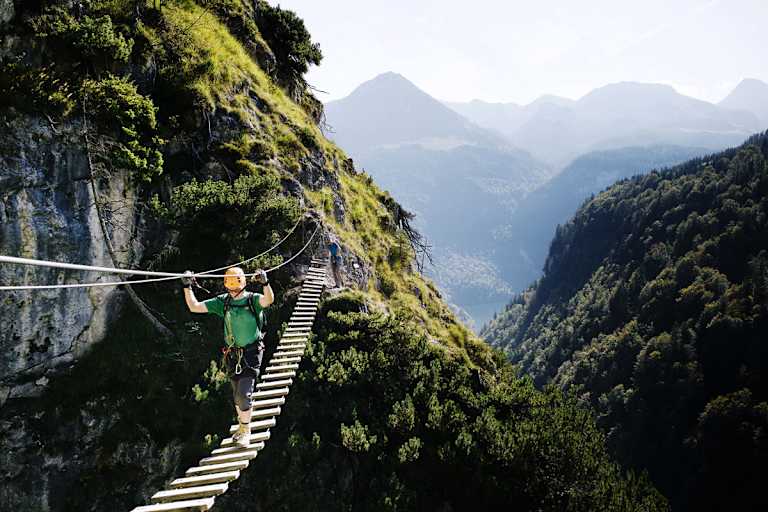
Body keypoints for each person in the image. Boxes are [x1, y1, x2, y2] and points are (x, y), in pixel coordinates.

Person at [182, 266, 273, 447]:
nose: (233, 293)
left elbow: (268, 299)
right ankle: (242, 426)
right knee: (237, 394)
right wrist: (187, 287)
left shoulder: (252, 300)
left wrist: (266, 283)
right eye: (230, 289)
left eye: (235, 289)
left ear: (242, 285)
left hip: (252, 352)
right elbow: (194, 306)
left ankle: (246, 431)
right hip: (232, 355)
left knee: (243, 395)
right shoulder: (223, 302)